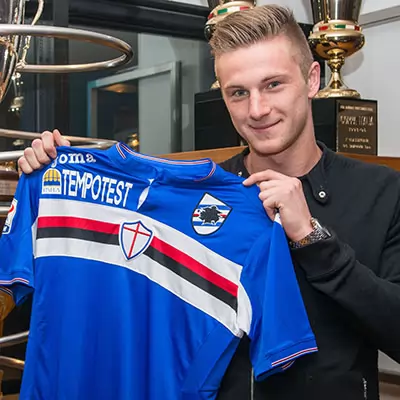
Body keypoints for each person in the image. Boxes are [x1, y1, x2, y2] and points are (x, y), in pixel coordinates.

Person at [16, 5, 400, 400]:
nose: (257, 109)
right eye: (238, 93)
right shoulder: (196, 197)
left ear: (312, 79)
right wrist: (53, 180)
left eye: (273, 85)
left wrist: (312, 238)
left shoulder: (380, 191)